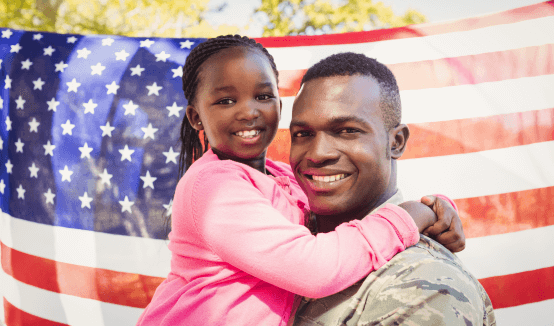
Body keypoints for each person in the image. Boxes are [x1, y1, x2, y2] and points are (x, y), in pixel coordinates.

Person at [136, 35, 462, 326]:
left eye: (262, 96)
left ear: (278, 106)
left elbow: (326, 223)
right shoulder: (214, 187)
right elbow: (317, 267)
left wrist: (437, 209)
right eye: (225, 100)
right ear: (196, 117)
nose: (248, 112)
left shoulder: (282, 179)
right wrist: (411, 216)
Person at [289, 52, 496, 326]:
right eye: (303, 134)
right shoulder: (282, 235)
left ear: (396, 142)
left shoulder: (424, 282)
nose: (317, 153)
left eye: (347, 130)